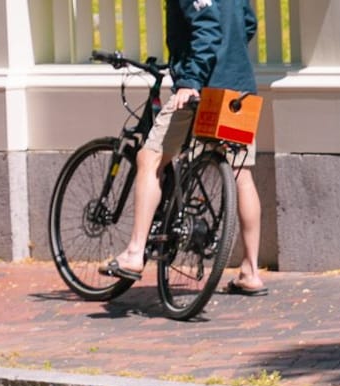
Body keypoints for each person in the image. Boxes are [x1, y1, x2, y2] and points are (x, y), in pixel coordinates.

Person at [103, 0, 269, 296]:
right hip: (240, 86)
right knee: (241, 173)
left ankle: (134, 252)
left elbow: (207, 28)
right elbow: (248, 23)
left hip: (204, 87)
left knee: (150, 157)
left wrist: (190, 81)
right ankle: (251, 271)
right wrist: (229, 59)